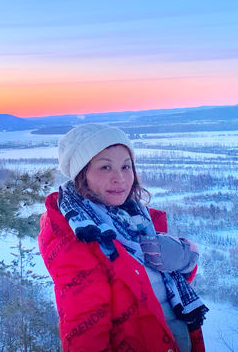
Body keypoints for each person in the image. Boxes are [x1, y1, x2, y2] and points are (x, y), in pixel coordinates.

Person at [38, 124, 208, 352]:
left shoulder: (136, 220)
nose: (119, 178)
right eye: (105, 167)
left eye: (125, 166)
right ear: (82, 175)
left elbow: (154, 290)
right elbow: (84, 331)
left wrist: (185, 259)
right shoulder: (78, 237)